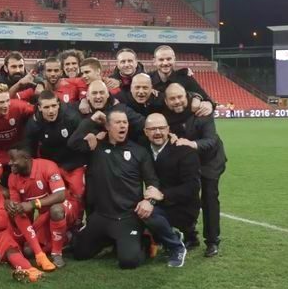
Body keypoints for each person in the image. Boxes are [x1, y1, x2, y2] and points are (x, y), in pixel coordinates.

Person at [68, 108, 187, 269]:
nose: (123, 125)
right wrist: (90, 121)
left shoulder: (139, 152)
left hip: (128, 217)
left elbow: (152, 181)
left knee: (128, 262)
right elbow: (73, 143)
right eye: (118, 122)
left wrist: (149, 201)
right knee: (79, 253)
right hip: (102, 216)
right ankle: (111, 240)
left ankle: (145, 241)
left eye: (125, 122)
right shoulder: (97, 148)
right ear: (108, 127)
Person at [163, 83, 227, 257]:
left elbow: (211, 140)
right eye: (172, 99)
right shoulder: (165, 114)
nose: (177, 102)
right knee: (185, 195)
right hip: (186, 161)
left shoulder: (201, 111)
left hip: (210, 160)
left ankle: (212, 241)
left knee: (209, 196)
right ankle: (191, 236)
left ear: (187, 97)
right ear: (166, 102)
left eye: (180, 97)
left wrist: (191, 144)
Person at [24, 91, 85, 228]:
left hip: (74, 162)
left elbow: (84, 137)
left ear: (58, 104)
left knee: (78, 193)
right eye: (46, 107)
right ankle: (49, 225)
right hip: (51, 164)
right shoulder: (34, 123)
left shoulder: (71, 117)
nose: (51, 111)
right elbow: (29, 146)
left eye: (53, 106)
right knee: (52, 196)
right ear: (39, 108)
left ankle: (77, 222)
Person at [6, 143, 68, 271]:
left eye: (14, 160)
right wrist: (12, 206)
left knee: (56, 210)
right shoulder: (13, 178)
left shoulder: (47, 166)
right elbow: (18, 206)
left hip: (65, 208)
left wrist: (33, 204)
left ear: (26, 159)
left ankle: (57, 253)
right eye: (10, 159)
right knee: (28, 251)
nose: (10, 163)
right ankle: (47, 250)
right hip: (44, 217)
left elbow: (61, 195)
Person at [143, 113, 201, 244]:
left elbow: (192, 187)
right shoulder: (142, 150)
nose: (158, 132)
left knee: (148, 215)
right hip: (157, 203)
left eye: (161, 128)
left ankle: (181, 234)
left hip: (182, 207)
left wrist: (162, 195)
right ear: (145, 132)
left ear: (168, 130)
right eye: (152, 129)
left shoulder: (185, 152)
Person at [150, 45, 213, 117]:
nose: (165, 63)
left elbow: (205, 97)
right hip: (156, 125)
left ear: (174, 60)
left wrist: (209, 104)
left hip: (180, 124)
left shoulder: (185, 78)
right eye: (161, 60)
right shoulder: (147, 80)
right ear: (154, 61)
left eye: (169, 59)